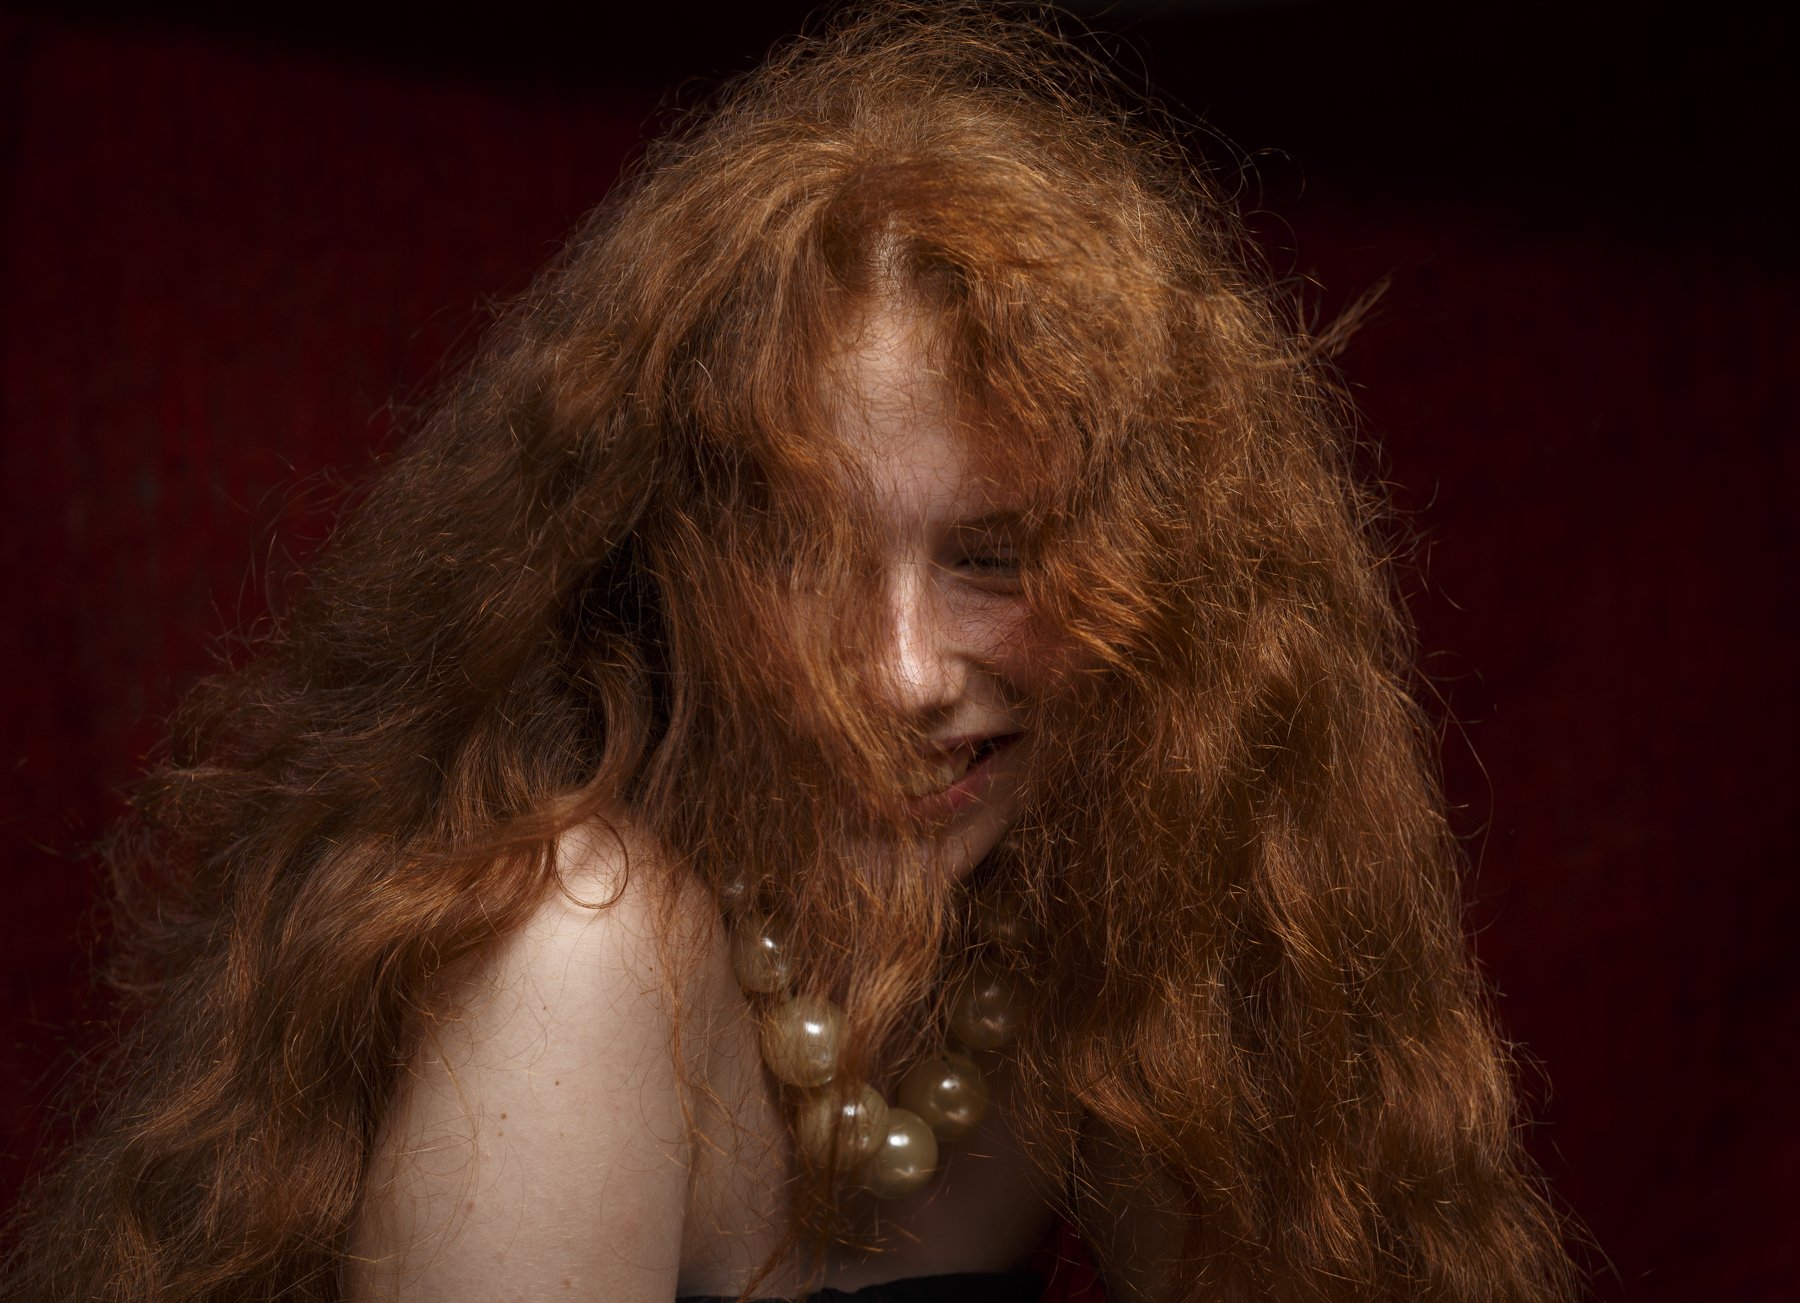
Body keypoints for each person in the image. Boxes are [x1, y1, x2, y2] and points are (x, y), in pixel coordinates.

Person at [4, 5, 1575, 1301]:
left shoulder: (1075, 922)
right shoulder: (581, 950)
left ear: (1156, 583)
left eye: (993, 556)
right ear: (655, 562)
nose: (902, 674)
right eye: (803, 557)